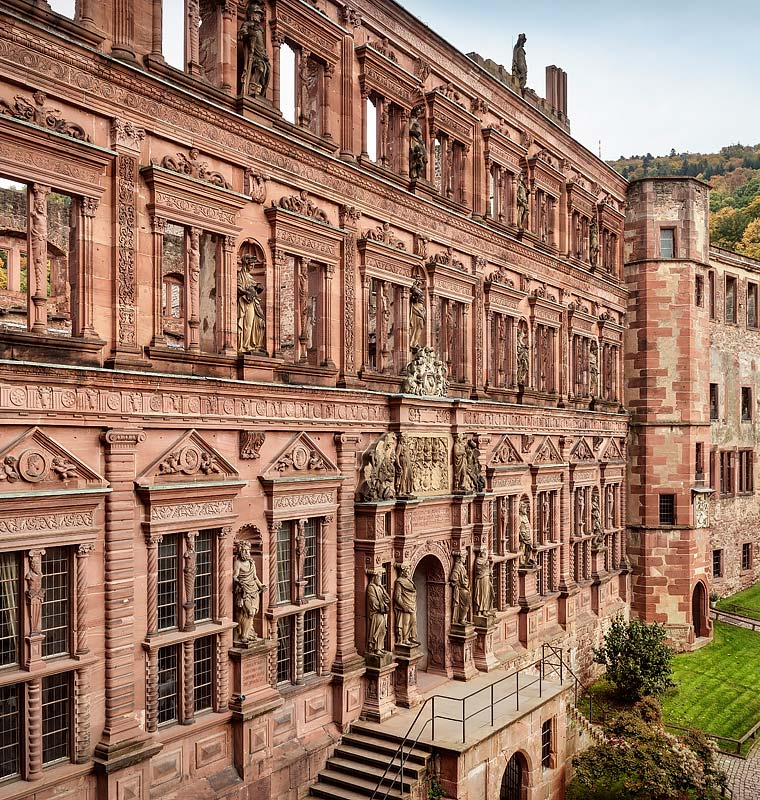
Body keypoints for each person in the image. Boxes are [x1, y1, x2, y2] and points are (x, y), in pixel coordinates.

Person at [232, 540, 266, 643]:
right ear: (240, 551)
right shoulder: (238, 563)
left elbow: (255, 577)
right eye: (245, 551)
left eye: (248, 551)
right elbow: (234, 576)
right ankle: (243, 636)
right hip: (244, 591)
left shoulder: (251, 562)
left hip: (254, 590)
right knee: (249, 612)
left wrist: (261, 585)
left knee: (252, 613)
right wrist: (239, 583)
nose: (247, 553)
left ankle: (247, 632)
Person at [237, 255, 266, 353]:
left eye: (254, 264)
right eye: (251, 264)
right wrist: (247, 292)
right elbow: (238, 287)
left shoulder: (250, 277)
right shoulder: (241, 275)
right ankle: (245, 346)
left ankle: (253, 344)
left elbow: (254, 288)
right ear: (246, 264)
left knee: (258, 322)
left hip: (253, 302)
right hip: (245, 302)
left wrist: (257, 287)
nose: (253, 266)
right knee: (247, 324)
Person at [393, 563, 419, 645]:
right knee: (405, 622)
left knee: (413, 621)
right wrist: (403, 606)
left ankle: (412, 637)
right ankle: (405, 639)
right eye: (406, 570)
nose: (408, 572)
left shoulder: (409, 580)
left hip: (412, 604)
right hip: (405, 605)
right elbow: (397, 597)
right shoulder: (399, 582)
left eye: (408, 570)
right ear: (402, 572)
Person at [366, 568, 390, 653]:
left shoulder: (380, 588)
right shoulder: (371, 588)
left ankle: (380, 648)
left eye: (380, 577)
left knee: (383, 630)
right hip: (376, 613)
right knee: (377, 630)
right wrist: (383, 606)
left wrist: (383, 589)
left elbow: (388, 599)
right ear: (374, 578)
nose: (380, 579)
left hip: (382, 612)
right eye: (378, 577)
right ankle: (375, 648)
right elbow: (373, 602)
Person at [449, 550, 471, 625]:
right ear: (460, 558)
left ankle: (463, 618)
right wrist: (459, 583)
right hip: (461, 589)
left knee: (467, 604)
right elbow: (453, 578)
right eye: (464, 557)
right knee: (465, 604)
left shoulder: (461, 566)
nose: (465, 558)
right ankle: (461, 619)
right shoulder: (457, 566)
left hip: (465, 588)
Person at [473, 548, 493, 615]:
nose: (486, 555)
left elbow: (488, 570)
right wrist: (487, 565)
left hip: (486, 579)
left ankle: (485, 609)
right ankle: (479, 610)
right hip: (481, 579)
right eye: (485, 553)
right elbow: (480, 570)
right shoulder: (478, 561)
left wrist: (490, 567)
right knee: (481, 594)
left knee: (487, 594)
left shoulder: (485, 561)